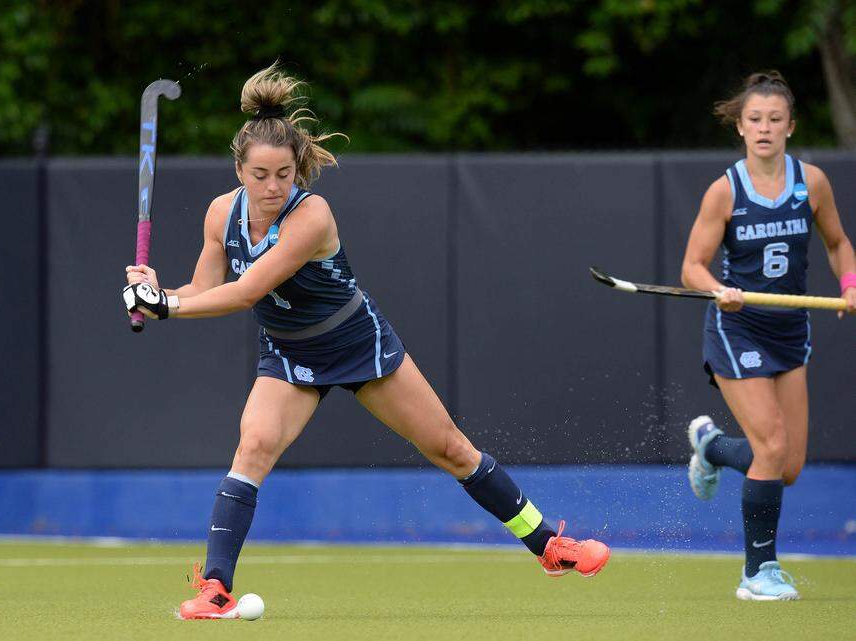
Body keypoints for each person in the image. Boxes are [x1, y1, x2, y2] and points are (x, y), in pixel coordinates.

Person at [122, 64, 610, 620]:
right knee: (252, 447)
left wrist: (167, 306)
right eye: (260, 175)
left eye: (284, 173)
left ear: (297, 169)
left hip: (357, 344)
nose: (273, 187)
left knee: (451, 450)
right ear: (239, 170)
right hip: (288, 352)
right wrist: (156, 294)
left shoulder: (311, 215)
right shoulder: (220, 214)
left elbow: (247, 290)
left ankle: (548, 545)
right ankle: (215, 587)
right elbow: (202, 290)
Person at [680, 71, 856, 601]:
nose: (764, 128)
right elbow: (692, 267)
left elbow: (838, 244)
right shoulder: (725, 191)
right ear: (740, 126)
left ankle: (711, 448)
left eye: (774, 119)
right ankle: (758, 573)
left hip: (790, 330)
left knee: (789, 466)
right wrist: (719, 290)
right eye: (754, 119)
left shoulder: (812, 183)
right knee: (772, 447)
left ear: (790, 126)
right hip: (738, 328)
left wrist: (850, 283)